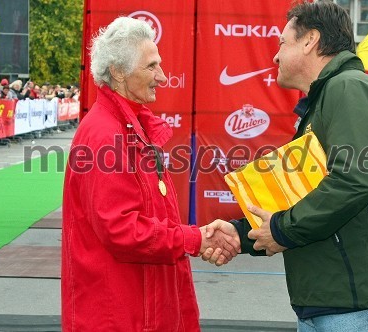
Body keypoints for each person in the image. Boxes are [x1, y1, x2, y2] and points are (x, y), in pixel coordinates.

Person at [203, 2, 368, 331]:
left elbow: (356, 179)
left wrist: (280, 230)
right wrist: (243, 234)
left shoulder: (349, 88)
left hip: (355, 304)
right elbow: (301, 199)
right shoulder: (328, 99)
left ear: (310, 40)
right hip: (330, 300)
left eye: (282, 44)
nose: (275, 56)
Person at [61, 17, 240, 332]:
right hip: (119, 314)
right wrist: (194, 238)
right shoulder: (106, 134)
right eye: (151, 66)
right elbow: (122, 230)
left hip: (137, 306)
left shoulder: (129, 128)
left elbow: (148, 219)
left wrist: (192, 237)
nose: (161, 76)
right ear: (118, 72)